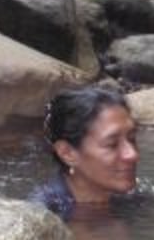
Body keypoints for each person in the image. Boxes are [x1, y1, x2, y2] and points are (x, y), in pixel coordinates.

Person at [30, 86, 140, 222]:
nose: (132, 154)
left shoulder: (135, 201)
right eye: (112, 144)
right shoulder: (40, 216)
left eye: (132, 138)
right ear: (67, 153)